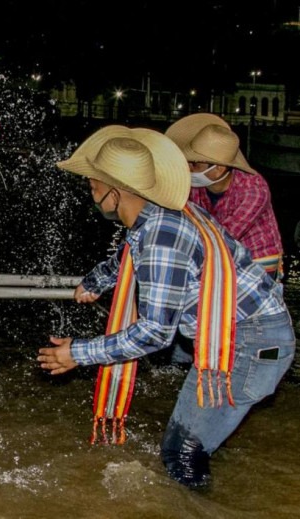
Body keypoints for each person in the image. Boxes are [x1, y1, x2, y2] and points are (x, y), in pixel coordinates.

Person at [36, 125, 295, 489]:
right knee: (185, 445)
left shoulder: (162, 238)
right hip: (246, 334)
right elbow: (129, 252)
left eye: (94, 182)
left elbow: (155, 332)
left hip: (249, 344)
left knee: (183, 452)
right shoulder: (157, 215)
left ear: (117, 189)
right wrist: (96, 281)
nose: (89, 189)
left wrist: (79, 353)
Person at [165, 113, 283, 279]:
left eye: (195, 164)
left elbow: (226, 234)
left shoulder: (254, 190)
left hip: (258, 260)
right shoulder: (195, 186)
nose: (189, 169)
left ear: (218, 168)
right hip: (217, 255)